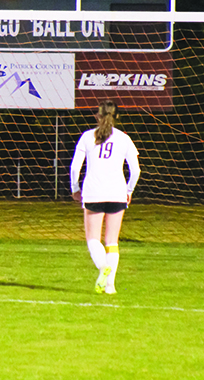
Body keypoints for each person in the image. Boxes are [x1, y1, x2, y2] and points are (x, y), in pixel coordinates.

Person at [70, 100, 140, 295]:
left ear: (97, 116)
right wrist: (129, 191)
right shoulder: (124, 139)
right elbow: (135, 170)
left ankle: (102, 267)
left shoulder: (87, 137)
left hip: (94, 191)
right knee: (112, 241)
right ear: (117, 117)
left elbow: (75, 167)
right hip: (117, 192)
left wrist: (75, 188)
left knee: (93, 239)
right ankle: (110, 286)